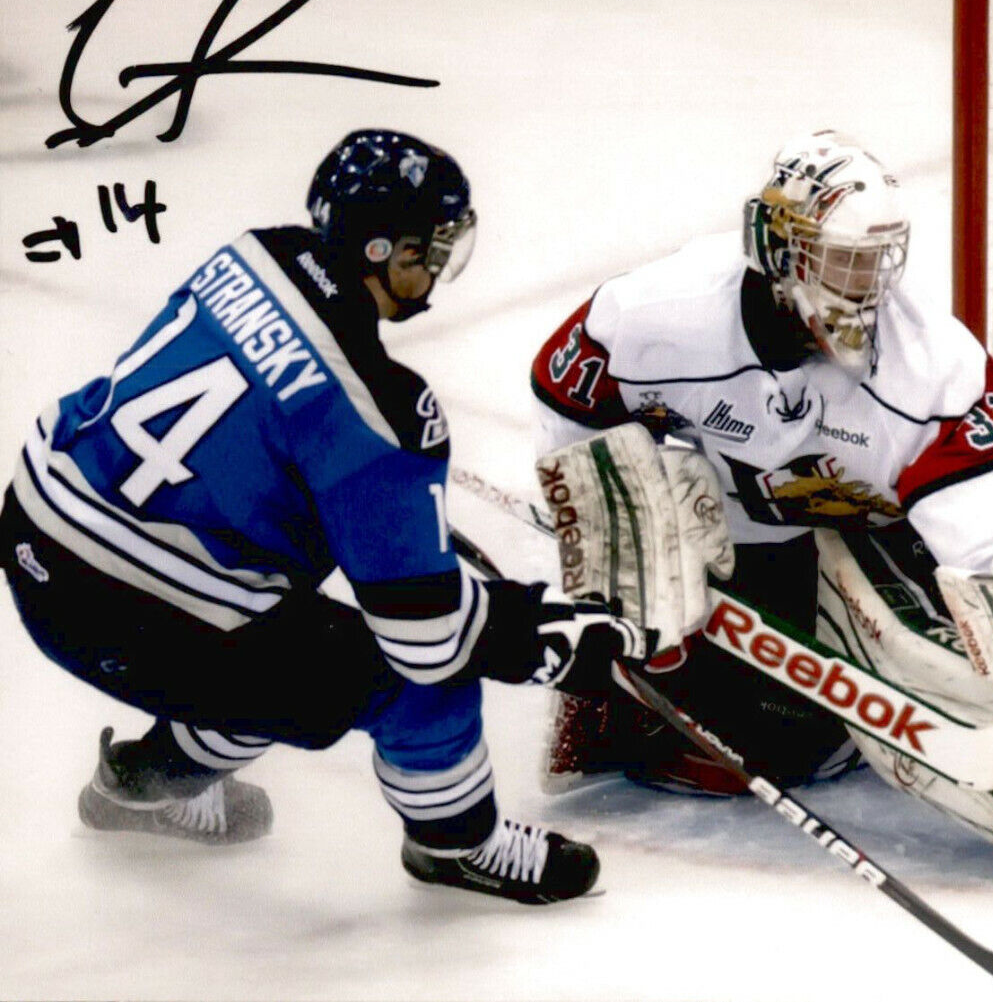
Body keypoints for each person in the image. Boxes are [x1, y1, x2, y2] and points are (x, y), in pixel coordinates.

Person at [527, 129, 993, 896]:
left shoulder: (928, 366)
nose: (866, 284)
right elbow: (570, 405)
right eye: (844, 260)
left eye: (877, 259)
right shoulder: (656, 315)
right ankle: (640, 706)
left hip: (873, 540)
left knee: (920, 655)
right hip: (732, 545)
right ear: (779, 248)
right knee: (742, 716)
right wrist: (618, 537)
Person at [0, 129, 654, 906]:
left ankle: (146, 781)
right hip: (147, 616)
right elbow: (424, 636)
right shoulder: (385, 417)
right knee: (415, 682)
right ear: (381, 250)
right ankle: (456, 845)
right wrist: (528, 630)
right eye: (431, 246)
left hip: (36, 530)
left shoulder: (251, 255)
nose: (439, 266)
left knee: (277, 646)